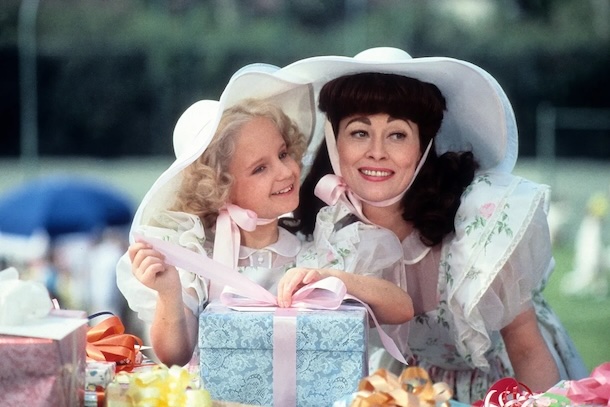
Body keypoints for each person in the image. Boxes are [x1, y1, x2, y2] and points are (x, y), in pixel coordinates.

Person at [282, 47, 589, 403]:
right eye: (359, 132)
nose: (377, 152)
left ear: (423, 146)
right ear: (335, 141)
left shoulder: (476, 223)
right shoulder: (331, 232)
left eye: (397, 135)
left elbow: (526, 349)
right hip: (414, 386)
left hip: (509, 383)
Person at [116, 64, 413, 368]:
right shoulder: (198, 258)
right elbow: (174, 355)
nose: (286, 171)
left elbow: (401, 309)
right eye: (260, 168)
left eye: (283, 154)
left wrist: (333, 279)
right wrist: (169, 293)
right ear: (220, 187)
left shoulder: (320, 251)